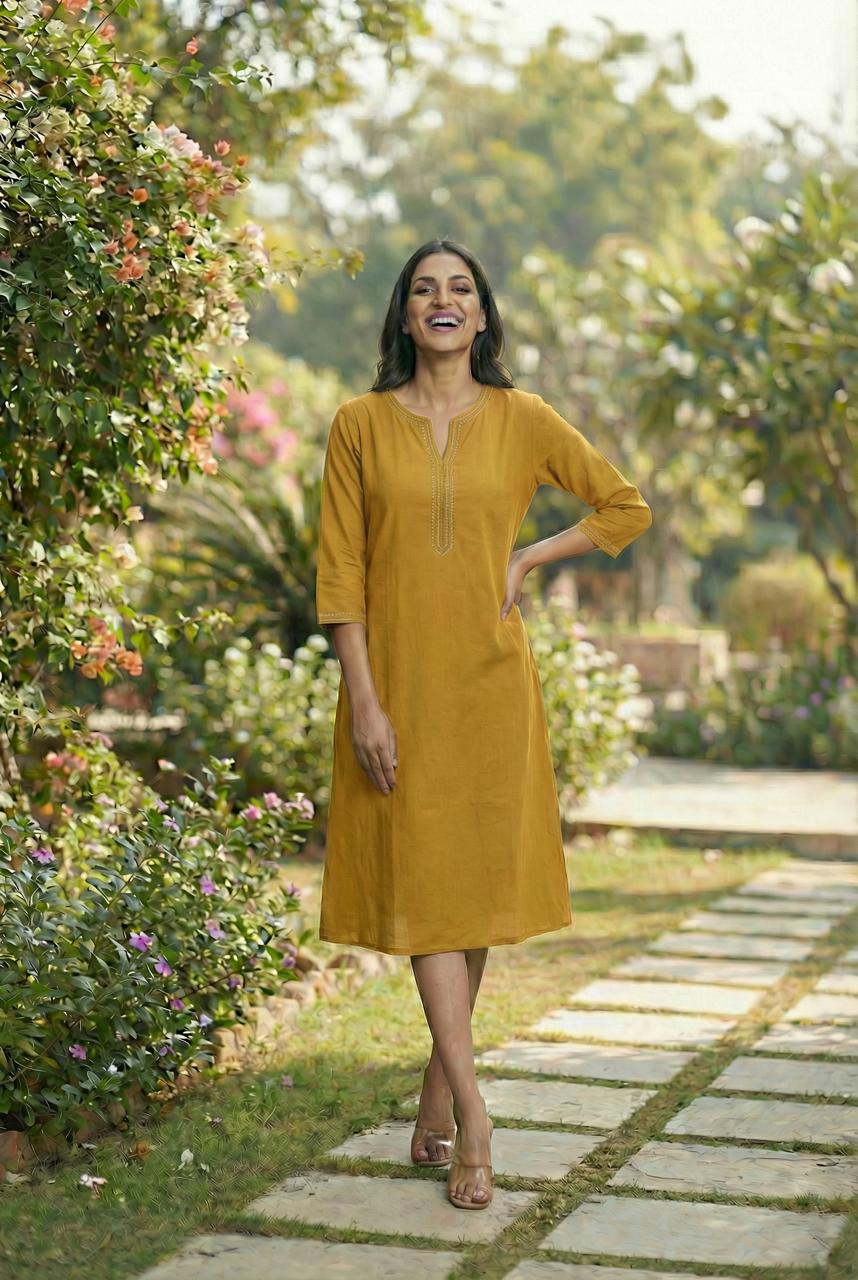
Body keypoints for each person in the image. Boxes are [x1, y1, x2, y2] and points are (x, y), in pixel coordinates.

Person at [314, 237, 652, 1210]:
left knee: (472, 890)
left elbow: (624, 506)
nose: (444, 300)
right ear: (404, 314)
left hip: (492, 688)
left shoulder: (523, 418)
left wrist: (530, 556)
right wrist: (364, 700)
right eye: (425, 288)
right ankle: (473, 1113)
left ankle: (434, 1092)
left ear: (482, 314)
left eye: (460, 288)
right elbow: (340, 572)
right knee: (430, 889)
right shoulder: (359, 425)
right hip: (399, 688)